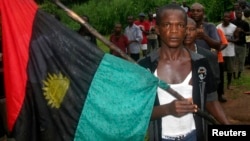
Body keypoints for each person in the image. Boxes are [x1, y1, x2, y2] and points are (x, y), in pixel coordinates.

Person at [138, 4, 229, 141]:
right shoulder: (145, 67)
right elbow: (139, 111)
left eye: (180, 25)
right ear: (157, 29)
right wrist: (168, 109)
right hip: (162, 137)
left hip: (195, 135)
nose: (174, 31)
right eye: (167, 25)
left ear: (185, 30)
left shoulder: (200, 64)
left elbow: (210, 100)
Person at [183, 17, 227, 103]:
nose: (187, 33)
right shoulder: (167, 56)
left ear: (198, 32)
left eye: (192, 29)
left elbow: (214, 84)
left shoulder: (209, 56)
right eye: (184, 29)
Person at [217, 12, 237, 90]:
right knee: (220, 70)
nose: (226, 18)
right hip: (220, 51)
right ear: (222, 18)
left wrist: (229, 40)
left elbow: (237, 39)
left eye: (228, 17)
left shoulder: (234, 27)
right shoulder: (218, 27)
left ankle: (229, 84)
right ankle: (220, 85)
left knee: (230, 69)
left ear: (230, 18)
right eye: (225, 17)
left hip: (230, 51)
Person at [232, 10, 250, 79]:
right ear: (235, 14)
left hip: (242, 44)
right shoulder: (233, 23)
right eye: (237, 13)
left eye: (239, 13)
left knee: (241, 61)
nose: (238, 14)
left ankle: (239, 74)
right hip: (234, 44)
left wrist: (243, 31)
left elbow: (248, 33)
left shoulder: (245, 23)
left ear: (241, 14)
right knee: (234, 60)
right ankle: (233, 75)